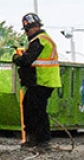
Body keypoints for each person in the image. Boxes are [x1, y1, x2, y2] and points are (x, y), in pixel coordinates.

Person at [13, 13, 60, 150]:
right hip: (40, 81)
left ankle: (42, 141)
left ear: (35, 27)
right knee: (29, 107)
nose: (26, 33)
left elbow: (26, 60)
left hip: (42, 81)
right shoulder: (41, 40)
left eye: (27, 30)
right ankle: (34, 139)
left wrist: (16, 58)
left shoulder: (40, 40)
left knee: (37, 111)